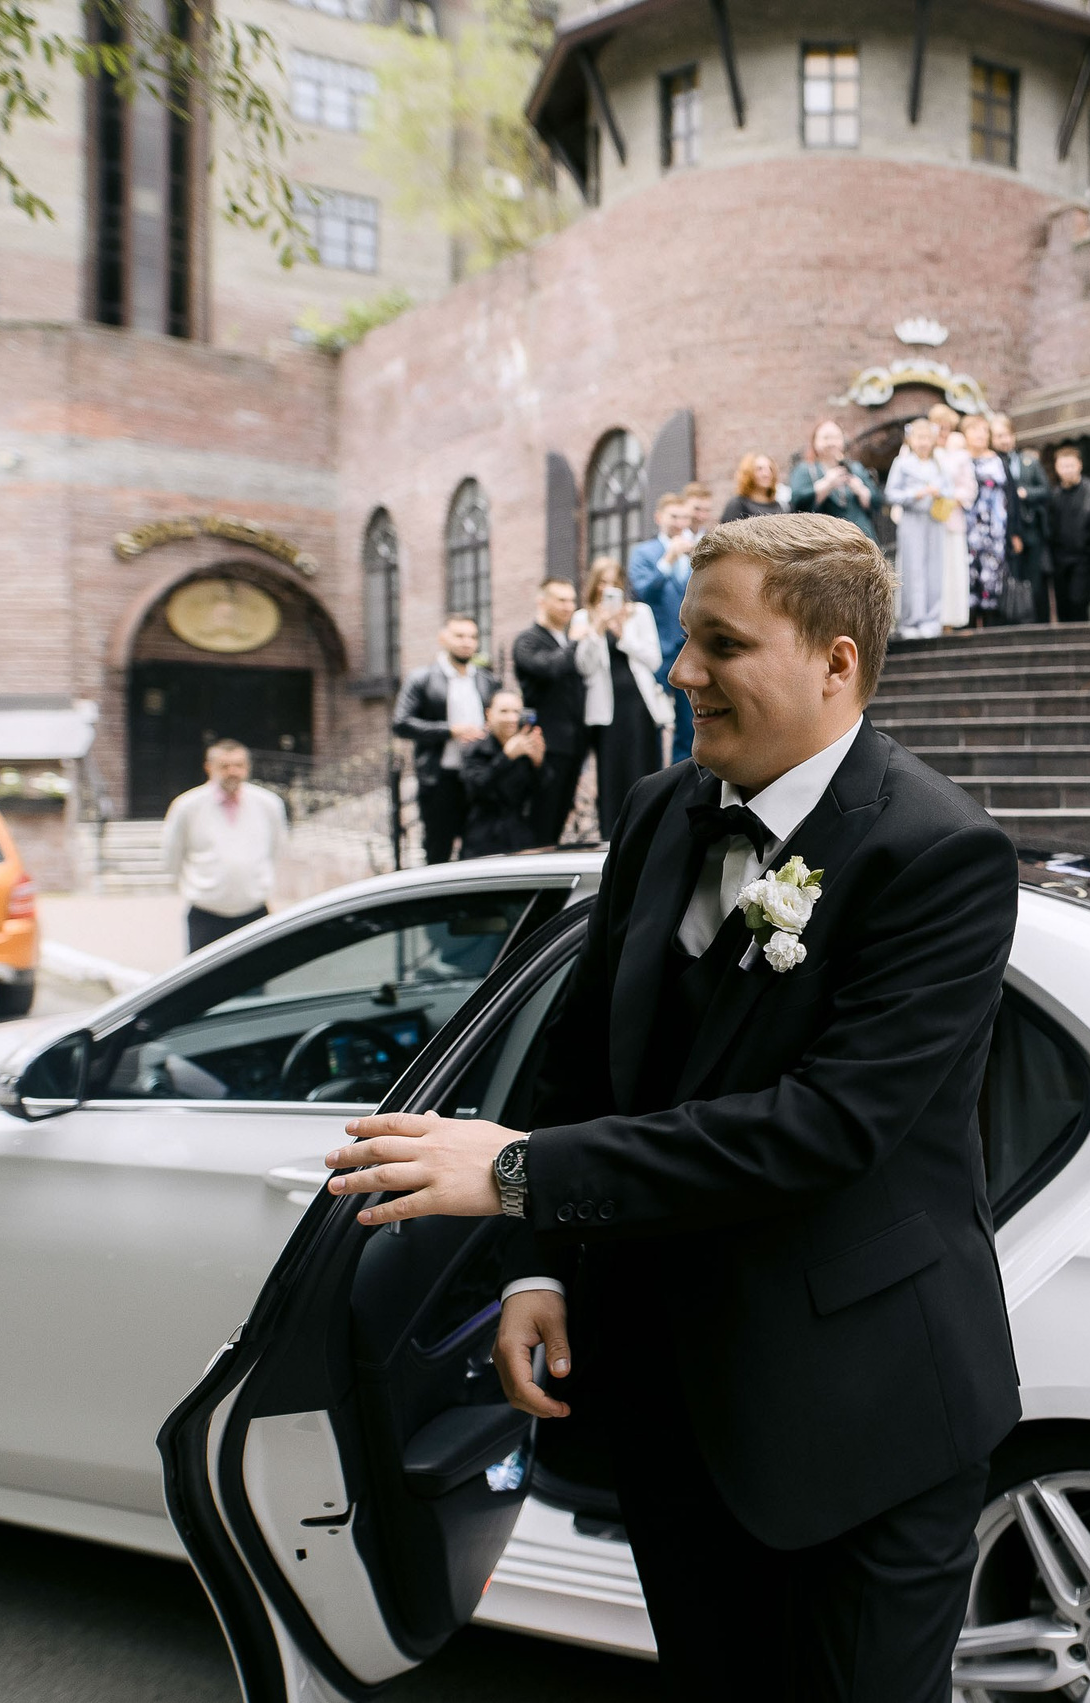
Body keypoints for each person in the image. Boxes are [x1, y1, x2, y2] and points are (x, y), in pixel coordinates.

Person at [319, 512, 1023, 1701]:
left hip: (863, 1418)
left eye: (721, 644)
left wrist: (516, 1172)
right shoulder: (658, 808)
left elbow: (826, 1127)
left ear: (835, 661)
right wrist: (536, 1267)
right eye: (683, 638)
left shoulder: (938, 853)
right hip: (669, 1406)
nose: (682, 671)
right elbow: (581, 1061)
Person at [160, 739, 289, 953]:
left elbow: (277, 849)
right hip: (206, 914)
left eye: (238, 765)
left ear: (247, 767)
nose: (232, 772)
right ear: (209, 768)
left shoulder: (268, 804)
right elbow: (172, 855)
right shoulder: (187, 806)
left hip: (254, 911)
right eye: (225, 766)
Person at [576, 554, 671, 844]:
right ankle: (611, 837)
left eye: (614, 582)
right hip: (606, 709)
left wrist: (622, 634)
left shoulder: (639, 613)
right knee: (611, 773)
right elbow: (584, 667)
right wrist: (597, 629)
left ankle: (646, 834)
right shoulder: (583, 617)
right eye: (602, 582)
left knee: (642, 769)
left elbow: (654, 660)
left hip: (638, 705)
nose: (607, 588)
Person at [390, 614, 498, 866]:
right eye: (459, 636)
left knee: (479, 852)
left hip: (479, 777)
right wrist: (450, 731)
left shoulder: (486, 680)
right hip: (440, 779)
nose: (467, 642)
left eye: (472, 637)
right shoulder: (422, 678)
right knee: (438, 851)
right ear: (443, 638)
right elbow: (401, 723)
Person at [510, 576, 592, 848]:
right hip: (546, 747)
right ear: (542, 601)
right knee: (541, 822)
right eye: (561, 600)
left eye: (571, 600)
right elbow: (549, 668)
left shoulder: (564, 640)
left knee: (558, 821)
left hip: (573, 745)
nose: (569, 606)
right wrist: (575, 642)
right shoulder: (527, 641)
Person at [630, 493, 699, 764]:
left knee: (689, 724)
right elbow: (642, 591)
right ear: (659, 518)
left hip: (688, 647)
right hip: (655, 649)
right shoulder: (644, 553)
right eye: (674, 516)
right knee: (651, 723)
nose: (680, 523)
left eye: (684, 517)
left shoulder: (695, 550)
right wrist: (668, 560)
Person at [455, 689, 545, 859]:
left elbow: (541, 795)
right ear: (489, 714)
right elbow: (477, 787)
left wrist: (538, 763)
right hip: (482, 839)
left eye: (516, 712)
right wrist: (506, 756)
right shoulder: (475, 748)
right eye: (504, 711)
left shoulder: (526, 747)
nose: (511, 718)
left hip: (520, 838)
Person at [885, 417, 953, 639]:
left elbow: (950, 491)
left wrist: (939, 492)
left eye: (927, 438)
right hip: (912, 520)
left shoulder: (939, 463)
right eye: (919, 437)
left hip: (934, 520)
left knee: (935, 568)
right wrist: (916, 494)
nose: (923, 442)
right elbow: (890, 493)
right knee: (912, 568)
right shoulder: (902, 463)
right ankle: (911, 620)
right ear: (911, 440)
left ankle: (932, 620)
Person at [1041, 443, 1090, 623]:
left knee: (1079, 602)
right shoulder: (1054, 495)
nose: (1068, 470)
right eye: (1063, 466)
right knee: (1062, 606)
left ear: (1079, 465)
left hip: (1084, 557)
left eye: (1071, 465)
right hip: (1059, 559)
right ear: (1057, 468)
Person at [960, 412, 1014, 624]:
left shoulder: (998, 461)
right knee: (968, 573)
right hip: (967, 527)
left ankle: (992, 621)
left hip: (995, 530)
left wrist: (1014, 531)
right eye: (975, 430)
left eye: (984, 430)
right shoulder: (959, 459)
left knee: (992, 574)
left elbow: (1010, 497)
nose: (980, 435)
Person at [997, 415, 1051, 625]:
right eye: (999, 436)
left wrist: (1025, 493)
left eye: (1007, 435)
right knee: (1012, 580)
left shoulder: (1029, 462)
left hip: (1031, 529)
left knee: (1035, 580)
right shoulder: (994, 463)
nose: (1004, 440)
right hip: (1007, 531)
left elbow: (1045, 489)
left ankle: (1038, 622)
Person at [788, 420, 880, 540]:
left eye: (836, 437)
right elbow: (797, 503)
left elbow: (877, 502)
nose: (831, 442)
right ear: (815, 442)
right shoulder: (805, 470)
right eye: (826, 438)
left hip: (861, 535)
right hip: (826, 538)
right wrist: (826, 484)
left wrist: (861, 490)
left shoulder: (855, 468)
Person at [929, 403, 975, 629]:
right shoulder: (919, 450)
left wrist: (950, 498)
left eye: (947, 427)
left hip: (952, 518)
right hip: (928, 520)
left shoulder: (959, 454)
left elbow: (969, 488)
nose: (942, 432)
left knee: (952, 571)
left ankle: (951, 620)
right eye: (939, 426)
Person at [719, 453, 785, 523]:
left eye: (770, 469)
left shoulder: (779, 506)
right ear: (748, 474)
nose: (766, 474)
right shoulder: (737, 504)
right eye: (759, 469)